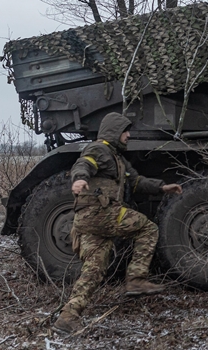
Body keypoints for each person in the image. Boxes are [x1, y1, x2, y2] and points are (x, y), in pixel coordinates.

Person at [53, 112, 182, 334]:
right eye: (125, 131)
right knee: (148, 228)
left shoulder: (118, 159)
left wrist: (161, 187)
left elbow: (137, 182)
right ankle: (136, 279)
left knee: (94, 269)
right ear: (114, 132)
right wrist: (80, 179)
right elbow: (84, 163)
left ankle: (67, 317)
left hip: (90, 219)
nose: (129, 135)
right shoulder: (99, 149)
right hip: (100, 213)